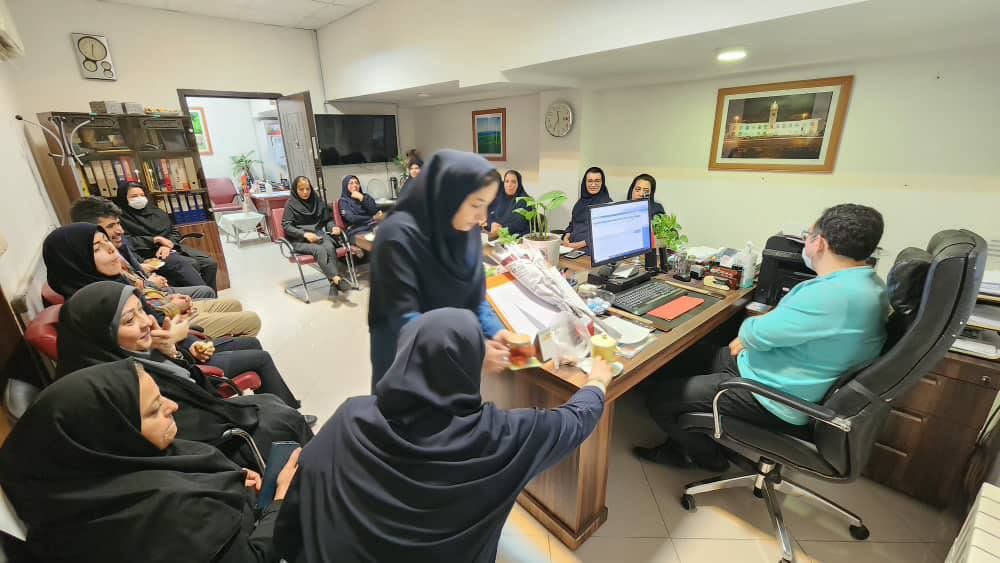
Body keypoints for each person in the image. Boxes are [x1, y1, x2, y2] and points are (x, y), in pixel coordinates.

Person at [274, 309, 612, 563]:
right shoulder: (504, 437)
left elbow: (299, 499)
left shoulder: (351, 417)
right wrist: (597, 380)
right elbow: (576, 420)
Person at [635, 204, 889, 471]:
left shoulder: (830, 295)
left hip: (774, 395)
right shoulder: (871, 285)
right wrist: (757, 333)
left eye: (807, 235)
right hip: (772, 370)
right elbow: (763, 333)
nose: (805, 242)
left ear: (820, 243)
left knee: (662, 398)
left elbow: (753, 332)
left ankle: (707, 458)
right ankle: (686, 432)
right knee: (680, 358)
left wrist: (754, 331)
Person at [0, 358, 301, 563]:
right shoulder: (170, 510)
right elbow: (256, 557)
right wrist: (280, 500)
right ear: (117, 434)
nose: (172, 407)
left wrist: (230, 480)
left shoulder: (86, 483)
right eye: (154, 409)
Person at [56, 281, 313, 465]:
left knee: (273, 404)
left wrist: (173, 353)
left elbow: (196, 389)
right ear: (103, 334)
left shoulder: (139, 353)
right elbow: (185, 426)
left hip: (207, 419)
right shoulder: (121, 384)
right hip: (207, 448)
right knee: (284, 420)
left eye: (142, 311)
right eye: (129, 320)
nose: (146, 322)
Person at [367, 149, 513, 389]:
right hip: (406, 361)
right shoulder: (396, 237)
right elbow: (405, 319)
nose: (482, 217)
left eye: (487, 205)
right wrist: (472, 352)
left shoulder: (467, 232)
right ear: (449, 196)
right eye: (476, 204)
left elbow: (475, 298)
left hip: (451, 360)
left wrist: (496, 332)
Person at [69, 198, 263, 338]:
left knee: (211, 275)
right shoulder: (98, 274)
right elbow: (145, 316)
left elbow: (142, 288)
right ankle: (226, 342)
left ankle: (223, 334)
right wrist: (172, 304)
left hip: (162, 298)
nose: (119, 231)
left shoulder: (122, 246)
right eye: (111, 227)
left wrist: (163, 247)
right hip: (164, 317)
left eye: (118, 224)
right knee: (249, 320)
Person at [114, 182, 219, 290]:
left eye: (142, 195)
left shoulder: (156, 211)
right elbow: (127, 240)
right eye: (134, 196)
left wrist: (167, 245)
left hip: (171, 248)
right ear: (123, 198)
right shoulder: (120, 219)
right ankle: (203, 294)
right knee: (188, 263)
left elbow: (174, 232)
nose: (139, 198)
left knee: (210, 264)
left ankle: (211, 296)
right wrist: (154, 240)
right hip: (148, 253)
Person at [282, 175, 352, 293]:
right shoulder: (290, 204)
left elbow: (327, 220)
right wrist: (304, 234)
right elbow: (286, 226)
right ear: (295, 190)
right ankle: (337, 278)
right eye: (301, 189)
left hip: (318, 236)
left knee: (330, 247)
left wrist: (333, 227)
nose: (305, 192)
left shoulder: (316, 201)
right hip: (299, 240)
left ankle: (333, 283)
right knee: (319, 250)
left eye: (308, 189)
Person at [563, 166, 613, 252]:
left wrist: (576, 245)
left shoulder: (607, 204)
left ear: (602, 183)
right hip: (571, 247)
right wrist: (566, 237)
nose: (593, 185)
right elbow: (572, 224)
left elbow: (604, 233)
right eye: (590, 181)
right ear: (585, 183)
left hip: (590, 251)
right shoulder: (580, 202)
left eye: (597, 181)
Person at [487, 169, 530, 237]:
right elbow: (490, 214)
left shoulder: (524, 200)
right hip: (496, 235)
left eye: (513, 182)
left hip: (516, 238)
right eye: (507, 181)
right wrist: (492, 224)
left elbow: (520, 224)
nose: (509, 185)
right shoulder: (500, 196)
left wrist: (501, 228)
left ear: (519, 184)